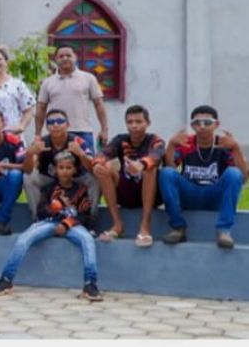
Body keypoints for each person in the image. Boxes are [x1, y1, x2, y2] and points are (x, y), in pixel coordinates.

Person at [0, 150, 103, 302]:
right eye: (61, 168)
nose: (65, 171)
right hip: (49, 222)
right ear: (56, 170)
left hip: (72, 225)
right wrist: (55, 207)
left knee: (88, 241)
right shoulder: (49, 188)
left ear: (74, 170)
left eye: (68, 168)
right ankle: (6, 279)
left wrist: (66, 224)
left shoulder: (81, 190)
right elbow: (41, 212)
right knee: (24, 239)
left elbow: (85, 215)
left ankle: (90, 283)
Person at [159, 105, 247, 249]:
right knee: (166, 173)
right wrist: (171, 145)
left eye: (207, 122)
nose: (202, 127)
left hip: (214, 194)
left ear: (216, 124)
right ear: (192, 125)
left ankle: (224, 231)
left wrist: (236, 148)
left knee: (234, 173)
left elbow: (242, 178)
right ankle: (178, 228)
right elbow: (171, 169)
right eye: (197, 123)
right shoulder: (185, 144)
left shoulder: (224, 144)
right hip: (190, 194)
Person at [92, 105, 166, 245]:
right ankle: (117, 224)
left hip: (150, 194)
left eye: (138, 122)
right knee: (104, 167)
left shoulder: (155, 140)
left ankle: (145, 226)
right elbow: (104, 153)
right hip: (126, 192)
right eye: (130, 122)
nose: (134, 126)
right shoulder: (121, 139)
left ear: (147, 123)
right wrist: (96, 164)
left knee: (151, 169)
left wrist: (142, 164)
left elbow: (157, 155)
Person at [22, 107, 97, 216]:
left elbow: (92, 167)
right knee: (28, 178)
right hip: (49, 177)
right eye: (51, 122)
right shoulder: (41, 143)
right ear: (47, 127)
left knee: (95, 179)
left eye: (60, 121)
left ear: (68, 125)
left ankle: (90, 218)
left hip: (76, 177)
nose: (56, 125)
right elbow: (28, 170)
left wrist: (81, 153)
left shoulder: (77, 141)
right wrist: (29, 154)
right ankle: (38, 218)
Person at [35, 44, 109, 151]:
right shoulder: (47, 82)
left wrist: (104, 129)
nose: (65, 58)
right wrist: (38, 134)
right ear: (55, 59)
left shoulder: (88, 78)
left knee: (86, 165)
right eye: (61, 56)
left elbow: (99, 104)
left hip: (82, 131)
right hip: (56, 134)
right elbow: (41, 108)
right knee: (57, 166)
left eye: (68, 55)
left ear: (75, 57)